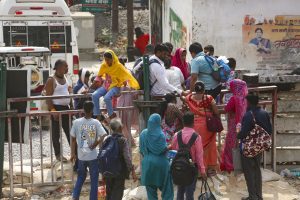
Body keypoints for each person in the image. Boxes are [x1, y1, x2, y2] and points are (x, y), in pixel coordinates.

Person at [237, 92, 272, 200]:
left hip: (248, 148)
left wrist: (238, 131)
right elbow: (269, 130)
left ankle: (252, 196)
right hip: (259, 147)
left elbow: (242, 134)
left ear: (248, 102)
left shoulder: (248, 115)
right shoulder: (264, 113)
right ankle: (258, 196)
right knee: (257, 170)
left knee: (249, 172)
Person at [70, 101, 107, 200]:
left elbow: (73, 139)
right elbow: (104, 135)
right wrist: (96, 143)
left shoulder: (76, 122)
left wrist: (73, 153)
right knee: (94, 180)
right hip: (93, 156)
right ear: (92, 110)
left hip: (81, 156)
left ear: (83, 110)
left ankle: (75, 197)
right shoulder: (96, 122)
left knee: (81, 177)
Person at [92, 50, 140, 120]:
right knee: (94, 95)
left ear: (112, 59)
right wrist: (92, 85)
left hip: (115, 87)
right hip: (106, 86)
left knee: (106, 98)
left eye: (108, 60)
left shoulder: (119, 66)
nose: (107, 61)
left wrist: (123, 86)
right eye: (105, 60)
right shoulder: (104, 65)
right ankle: (97, 115)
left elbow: (125, 76)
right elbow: (99, 76)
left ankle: (111, 114)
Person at [184, 81, 219, 175]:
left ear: (195, 90)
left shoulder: (189, 98)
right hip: (207, 125)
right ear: (204, 89)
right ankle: (210, 169)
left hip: (194, 125)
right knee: (210, 146)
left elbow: (184, 97)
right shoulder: (209, 98)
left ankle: (198, 169)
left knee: (196, 147)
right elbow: (216, 111)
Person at [171, 112, 206, 200]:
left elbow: (174, 150)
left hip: (179, 167)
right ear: (193, 122)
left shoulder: (176, 135)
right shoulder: (197, 137)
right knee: (190, 193)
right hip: (191, 167)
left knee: (180, 190)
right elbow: (199, 155)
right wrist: (202, 170)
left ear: (183, 122)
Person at [140, 113, 174, 200]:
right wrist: (169, 146)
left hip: (147, 164)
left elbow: (142, 151)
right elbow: (162, 150)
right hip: (161, 164)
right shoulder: (160, 135)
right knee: (167, 191)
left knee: (151, 194)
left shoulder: (143, 133)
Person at [44, 59, 72, 161]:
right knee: (56, 134)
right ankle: (58, 155)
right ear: (60, 67)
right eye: (66, 66)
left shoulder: (65, 77)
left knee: (70, 132)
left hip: (66, 109)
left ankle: (75, 154)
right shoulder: (51, 79)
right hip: (56, 108)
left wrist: (71, 106)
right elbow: (48, 97)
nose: (67, 68)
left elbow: (68, 92)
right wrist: (52, 110)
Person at [105, 118, 138, 200]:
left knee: (109, 194)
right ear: (119, 128)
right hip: (119, 172)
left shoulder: (107, 139)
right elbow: (127, 158)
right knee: (117, 195)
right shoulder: (123, 140)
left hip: (108, 171)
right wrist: (132, 171)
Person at [221, 79, 248, 173]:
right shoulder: (244, 98)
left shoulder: (234, 98)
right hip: (243, 125)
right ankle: (240, 165)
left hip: (234, 125)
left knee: (231, 145)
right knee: (240, 144)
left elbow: (227, 108)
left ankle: (231, 165)